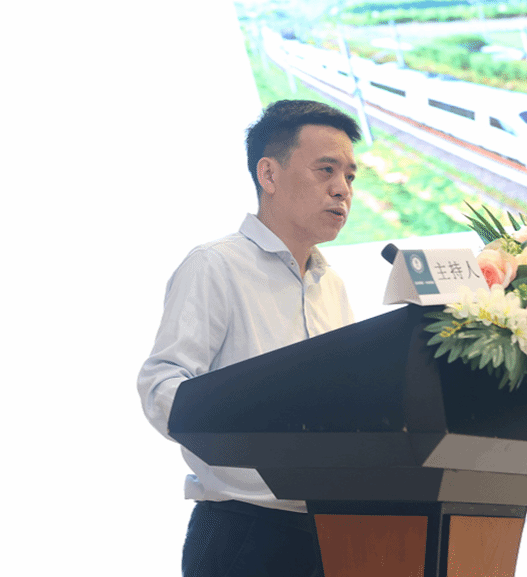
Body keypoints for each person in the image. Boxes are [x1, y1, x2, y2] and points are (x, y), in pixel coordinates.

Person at [137, 99, 362, 576]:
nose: (342, 188)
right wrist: (256, 443)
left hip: (329, 531)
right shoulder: (215, 265)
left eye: (349, 176)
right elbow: (162, 388)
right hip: (244, 531)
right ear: (269, 174)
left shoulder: (333, 285)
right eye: (326, 170)